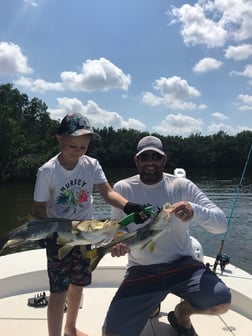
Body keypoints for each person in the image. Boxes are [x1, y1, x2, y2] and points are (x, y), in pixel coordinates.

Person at [102, 135, 231, 336]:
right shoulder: (123, 188)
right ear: (137, 160)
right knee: (111, 333)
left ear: (164, 160)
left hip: (183, 266)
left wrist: (194, 209)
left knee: (222, 302)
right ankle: (152, 304)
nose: (150, 162)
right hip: (141, 270)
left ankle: (182, 313)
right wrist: (117, 242)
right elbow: (119, 229)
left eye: (156, 157)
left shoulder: (182, 186)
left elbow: (221, 225)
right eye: (145, 157)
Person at [33, 112, 147, 336]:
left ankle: (70, 328)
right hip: (60, 236)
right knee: (58, 292)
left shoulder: (91, 165)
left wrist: (130, 206)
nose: (77, 151)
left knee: (78, 285)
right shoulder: (47, 171)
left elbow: (108, 194)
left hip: (87, 235)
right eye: (72, 145)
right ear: (60, 139)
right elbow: (39, 208)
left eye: (83, 147)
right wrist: (43, 232)